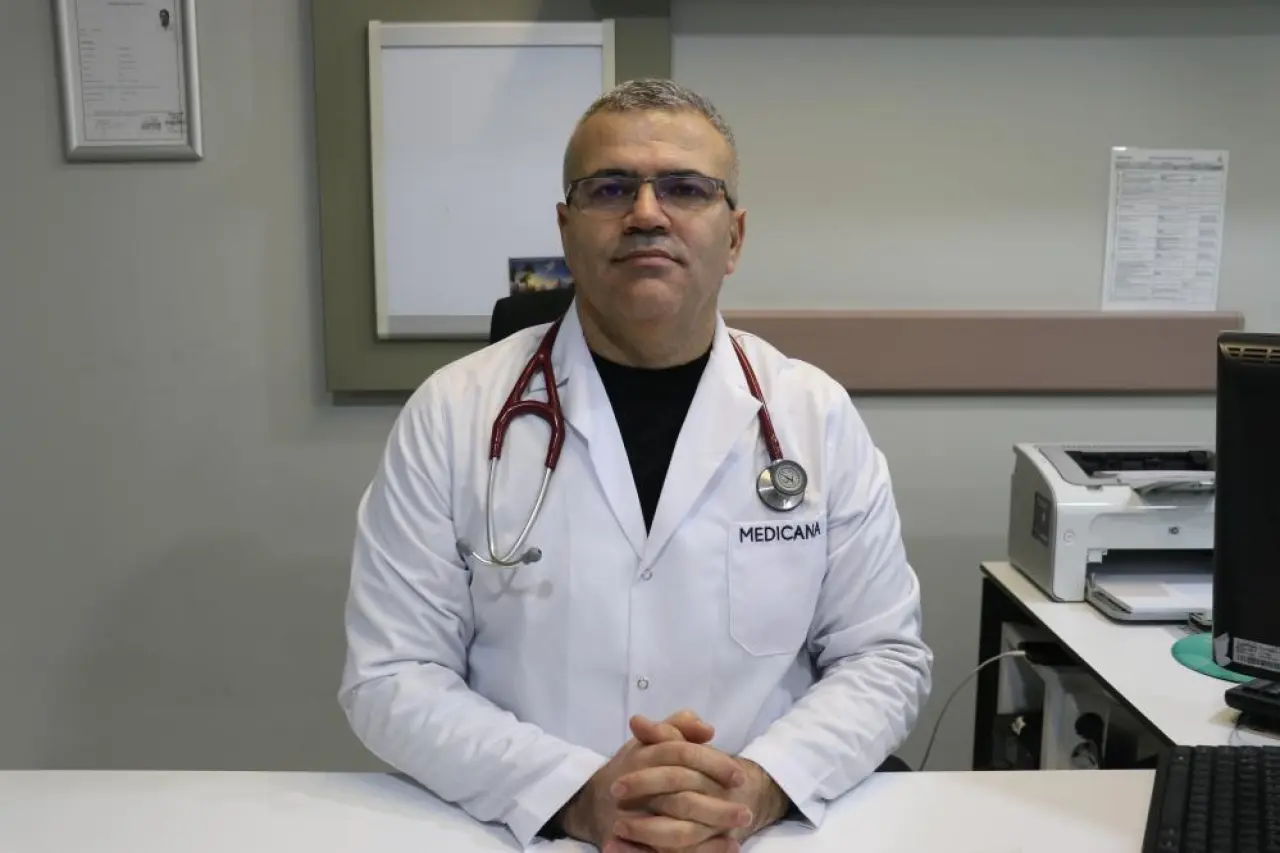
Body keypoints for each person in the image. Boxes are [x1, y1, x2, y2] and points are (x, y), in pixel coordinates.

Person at [339, 78, 933, 852]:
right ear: (566, 228)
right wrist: (575, 794)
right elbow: (391, 673)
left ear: (734, 237)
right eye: (611, 188)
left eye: (685, 188)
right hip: (529, 831)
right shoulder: (453, 414)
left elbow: (883, 656)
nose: (647, 213)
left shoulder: (812, 416)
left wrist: (757, 787)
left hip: (754, 835)